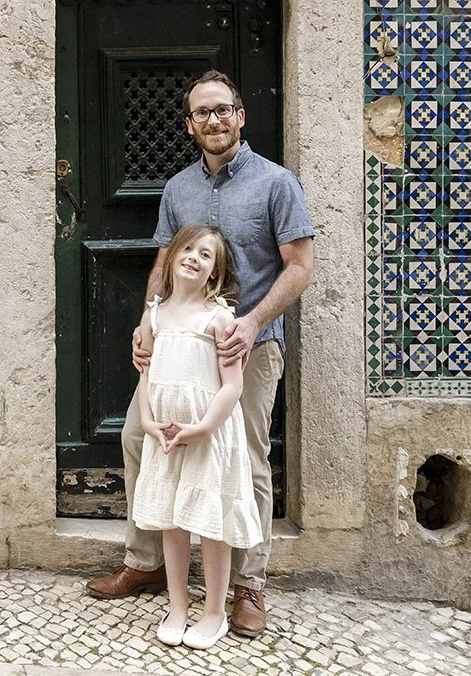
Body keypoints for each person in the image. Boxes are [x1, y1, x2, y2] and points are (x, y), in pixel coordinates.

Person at [86, 70, 315, 639]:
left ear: (240, 116)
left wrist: (252, 323)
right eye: (202, 113)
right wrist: (148, 319)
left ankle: (248, 586)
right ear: (190, 124)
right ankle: (147, 562)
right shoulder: (177, 188)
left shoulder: (277, 183)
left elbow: (300, 267)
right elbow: (165, 262)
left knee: (246, 459)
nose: (213, 120)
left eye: (222, 110)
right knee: (139, 436)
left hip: (246, 346)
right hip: (177, 345)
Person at [131, 223, 262, 651]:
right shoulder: (154, 315)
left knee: (210, 523)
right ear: (171, 257)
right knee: (172, 520)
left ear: (215, 272)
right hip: (167, 435)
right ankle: (178, 606)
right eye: (187, 248)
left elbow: (233, 386)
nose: (193, 257)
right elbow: (146, 375)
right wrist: (148, 422)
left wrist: (203, 427)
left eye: (205, 255)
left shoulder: (220, 318)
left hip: (209, 437)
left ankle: (214, 612)